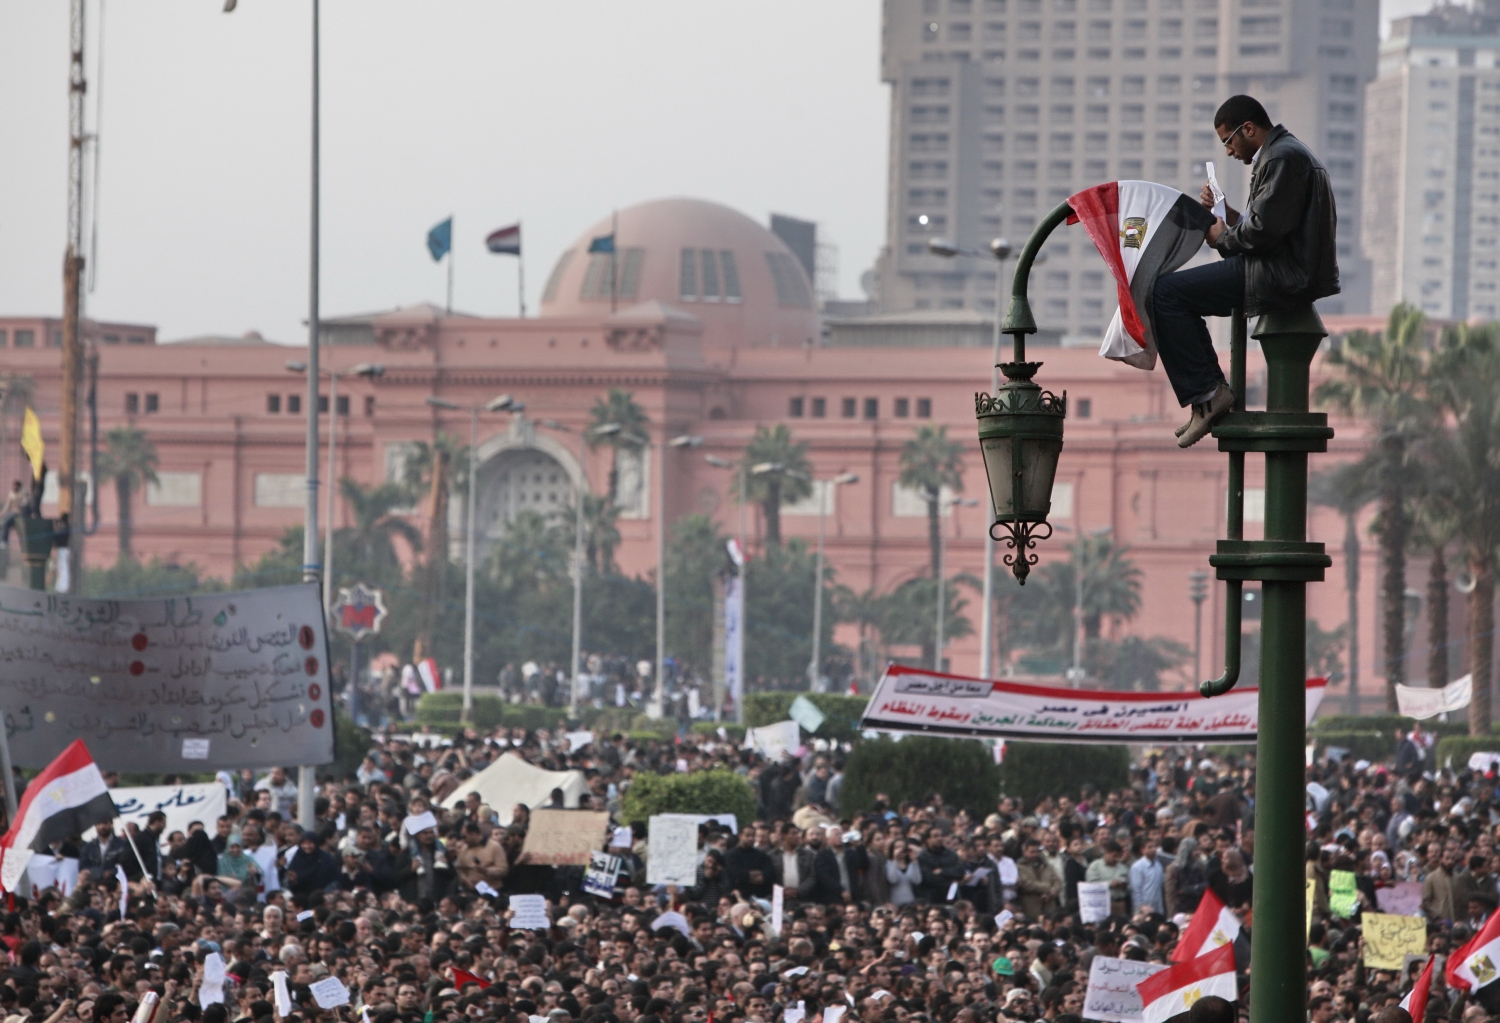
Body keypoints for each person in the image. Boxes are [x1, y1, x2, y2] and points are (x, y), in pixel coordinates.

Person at [1155, 94, 1339, 448]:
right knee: (1175, 292)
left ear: (1249, 129)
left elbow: (1262, 234)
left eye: (1228, 141)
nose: (1228, 151)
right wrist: (1229, 218)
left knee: (1165, 293)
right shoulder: (1287, 153)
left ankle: (1208, 394)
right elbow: (1268, 225)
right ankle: (1206, 396)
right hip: (1280, 268)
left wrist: (1222, 236)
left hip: (1278, 275)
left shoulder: (1282, 157)